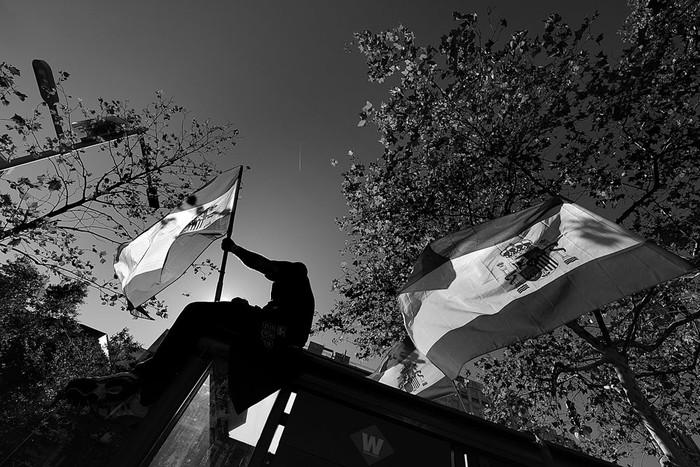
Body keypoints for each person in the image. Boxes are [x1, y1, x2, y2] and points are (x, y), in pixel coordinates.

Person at [63, 239, 315, 419]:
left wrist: (236, 249)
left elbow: (266, 266)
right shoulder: (289, 303)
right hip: (271, 334)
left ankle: (144, 378)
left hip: (278, 334)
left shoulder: (297, 272)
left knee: (196, 311)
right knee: (211, 326)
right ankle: (149, 391)